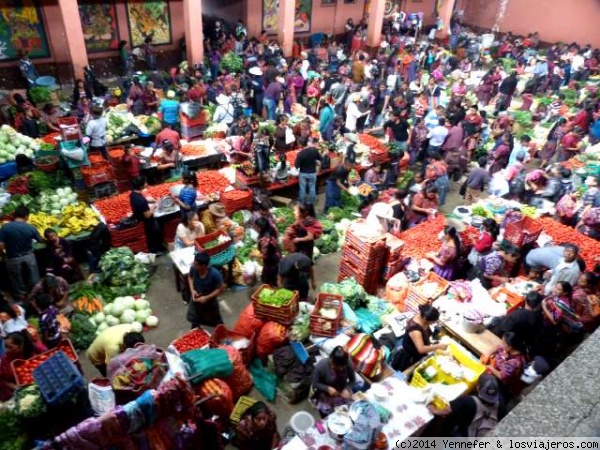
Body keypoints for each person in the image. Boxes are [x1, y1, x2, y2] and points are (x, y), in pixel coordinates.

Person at [428, 374, 502, 437]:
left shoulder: (468, 401)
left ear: (478, 388)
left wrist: (434, 410)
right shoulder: (501, 405)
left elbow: (446, 411)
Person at [0, 206, 43, 301]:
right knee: (33, 276)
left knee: (16, 279)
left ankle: (21, 297)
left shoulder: (5, 227)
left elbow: (1, 245)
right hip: (28, 256)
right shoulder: (30, 227)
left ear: (14, 215)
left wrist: (3, 256)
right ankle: (36, 294)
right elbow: (40, 240)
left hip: (12, 258)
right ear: (26, 216)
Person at [390, 305, 447, 371]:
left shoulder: (421, 315)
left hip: (415, 351)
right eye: (432, 322)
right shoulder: (415, 330)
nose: (433, 323)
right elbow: (421, 349)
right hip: (410, 357)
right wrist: (438, 346)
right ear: (425, 318)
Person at [311, 346, 356, 417]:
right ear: (331, 359)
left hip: (342, 392)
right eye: (336, 366)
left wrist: (347, 388)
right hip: (326, 394)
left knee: (346, 414)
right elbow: (315, 383)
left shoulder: (348, 363)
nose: (340, 369)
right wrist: (327, 388)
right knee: (328, 416)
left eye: (342, 367)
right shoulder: (321, 366)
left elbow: (353, 380)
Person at [0, 331, 46, 401]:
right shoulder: (6, 360)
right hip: (24, 392)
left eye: (10, 347)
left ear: (21, 345)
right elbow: (3, 379)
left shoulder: (35, 349)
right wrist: (15, 387)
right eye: (5, 347)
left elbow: (47, 356)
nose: (7, 350)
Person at [186, 251, 227, 328]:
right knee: (195, 318)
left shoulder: (215, 274)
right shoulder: (194, 268)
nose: (194, 265)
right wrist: (192, 291)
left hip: (210, 301)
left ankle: (221, 333)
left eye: (196, 264)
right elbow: (190, 277)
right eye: (194, 263)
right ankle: (195, 330)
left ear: (204, 266)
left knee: (216, 322)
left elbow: (221, 288)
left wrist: (206, 298)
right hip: (197, 298)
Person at [484, 331, 527, 398]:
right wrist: (487, 354)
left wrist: (489, 366)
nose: (502, 344)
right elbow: (497, 347)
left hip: (503, 383)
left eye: (504, 343)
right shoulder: (508, 348)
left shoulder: (514, 362)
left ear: (510, 347)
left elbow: (502, 376)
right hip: (496, 368)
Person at [130, 176, 165, 255]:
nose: (146, 184)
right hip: (147, 222)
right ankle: (155, 251)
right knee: (154, 234)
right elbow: (148, 215)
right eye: (145, 183)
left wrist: (147, 200)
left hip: (139, 217)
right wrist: (154, 206)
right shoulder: (140, 200)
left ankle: (157, 247)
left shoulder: (133, 194)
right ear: (141, 186)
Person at [253, 217, 282, 286]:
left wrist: (254, 255)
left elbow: (265, 255)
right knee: (275, 278)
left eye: (255, 226)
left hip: (271, 262)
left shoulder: (264, 240)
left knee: (269, 281)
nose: (254, 227)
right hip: (277, 256)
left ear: (260, 228)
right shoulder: (271, 229)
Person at [295, 138, 322, 205]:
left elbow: (297, 166)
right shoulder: (314, 150)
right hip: (312, 173)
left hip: (303, 173)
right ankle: (312, 202)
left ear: (300, 145)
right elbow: (320, 158)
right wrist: (314, 161)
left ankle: (302, 202)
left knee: (302, 189)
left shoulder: (300, 154)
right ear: (307, 142)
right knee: (312, 188)